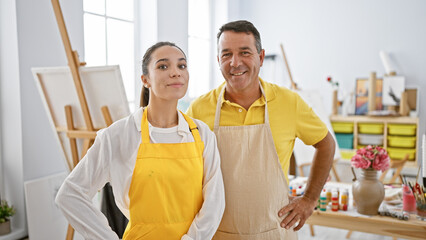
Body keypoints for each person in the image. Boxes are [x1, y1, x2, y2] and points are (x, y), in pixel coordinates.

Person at [56, 42, 225, 240]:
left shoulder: (202, 134)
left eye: (182, 66)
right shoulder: (118, 135)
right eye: (163, 66)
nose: (175, 72)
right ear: (145, 80)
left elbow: (215, 202)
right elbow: (70, 195)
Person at [186, 20, 336, 239]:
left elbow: (326, 144)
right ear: (218, 60)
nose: (235, 63)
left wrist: (310, 199)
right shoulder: (199, 109)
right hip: (216, 232)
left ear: (261, 57)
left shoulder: (289, 102)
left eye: (244, 52)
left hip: (275, 231)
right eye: (226, 54)